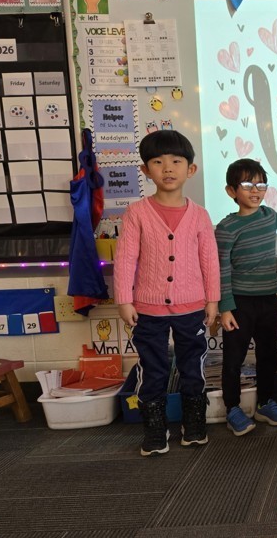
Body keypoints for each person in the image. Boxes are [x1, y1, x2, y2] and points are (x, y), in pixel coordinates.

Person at [114, 130, 219, 456]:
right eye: (158, 162)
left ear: (191, 169)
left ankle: (194, 423)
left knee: (193, 366)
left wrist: (213, 299)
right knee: (153, 368)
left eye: (176, 161)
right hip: (148, 308)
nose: (168, 168)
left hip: (192, 306)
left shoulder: (199, 215)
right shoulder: (137, 213)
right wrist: (123, 299)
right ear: (146, 170)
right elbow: (125, 258)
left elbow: (209, 260)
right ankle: (156, 430)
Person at [215, 159, 277, 436]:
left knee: (268, 355)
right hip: (239, 302)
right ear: (231, 191)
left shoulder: (268, 215)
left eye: (261, 184)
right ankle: (232, 408)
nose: (256, 190)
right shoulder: (226, 228)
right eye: (248, 184)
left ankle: (265, 402)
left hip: (267, 300)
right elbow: (222, 269)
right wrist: (225, 308)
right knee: (234, 359)